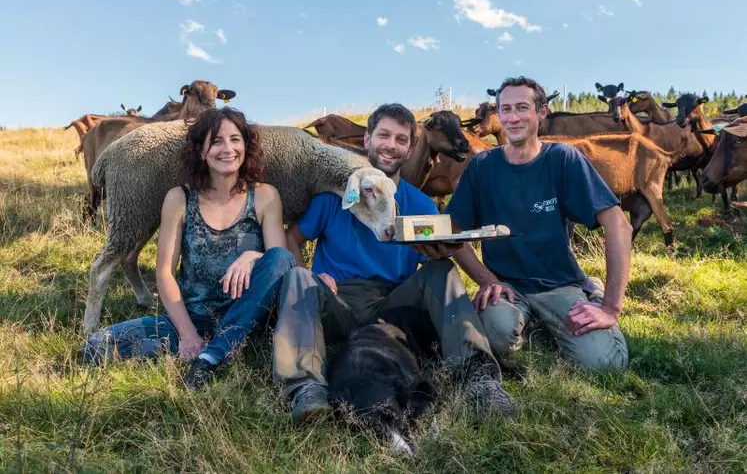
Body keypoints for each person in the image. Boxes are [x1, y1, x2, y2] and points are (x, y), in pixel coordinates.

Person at [272, 103, 514, 425]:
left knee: (441, 270)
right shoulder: (336, 195)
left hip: (391, 305)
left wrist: (485, 277)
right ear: (367, 139)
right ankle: (307, 389)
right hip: (336, 301)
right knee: (297, 278)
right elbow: (292, 238)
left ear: (411, 148)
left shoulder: (419, 203)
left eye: (401, 139)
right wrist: (312, 273)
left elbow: (455, 243)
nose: (391, 145)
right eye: (383, 135)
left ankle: (478, 379)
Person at [83, 108, 295, 390]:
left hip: (249, 314)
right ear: (200, 151)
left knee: (278, 257)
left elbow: (280, 262)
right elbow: (164, 273)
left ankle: (212, 355)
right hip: (194, 317)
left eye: (235, 139)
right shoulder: (179, 198)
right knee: (95, 348)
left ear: (246, 145)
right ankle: (205, 347)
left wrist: (253, 256)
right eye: (216, 141)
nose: (227, 148)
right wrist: (187, 333)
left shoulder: (265, 196)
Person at [433, 76, 631, 370]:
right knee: (496, 338)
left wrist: (611, 307)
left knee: (606, 363)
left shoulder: (563, 159)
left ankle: (593, 291)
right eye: (506, 109)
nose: (512, 118)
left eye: (522, 108)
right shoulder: (482, 167)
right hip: (507, 288)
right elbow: (453, 231)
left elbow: (619, 225)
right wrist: (487, 279)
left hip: (560, 284)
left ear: (541, 112)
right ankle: (527, 322)